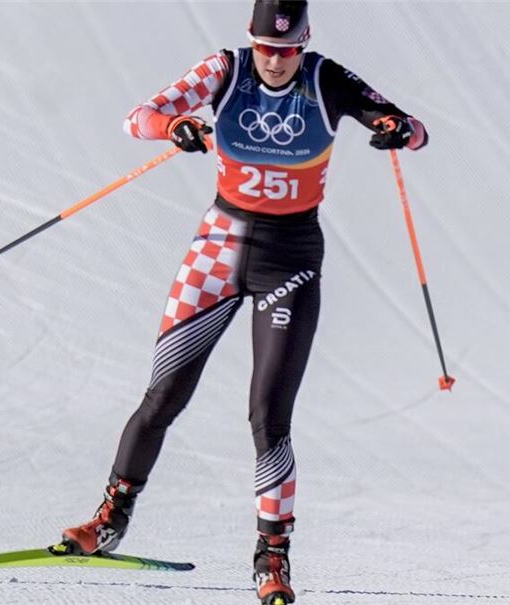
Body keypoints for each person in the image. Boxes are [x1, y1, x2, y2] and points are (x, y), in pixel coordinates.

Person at [60, 1, 428, 603]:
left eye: (286, 51)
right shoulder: (224, 70)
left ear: (304, 45)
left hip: (291, 259)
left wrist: (397, 129)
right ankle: (109, 522)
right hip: (218, 249)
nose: (275, 62)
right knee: (162, 396)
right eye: (266, 49)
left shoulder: (326, 78)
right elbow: (137, 118)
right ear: (250, 41)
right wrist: (173, 127)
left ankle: (273, 557)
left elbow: (412, 128)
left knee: (268, 416)